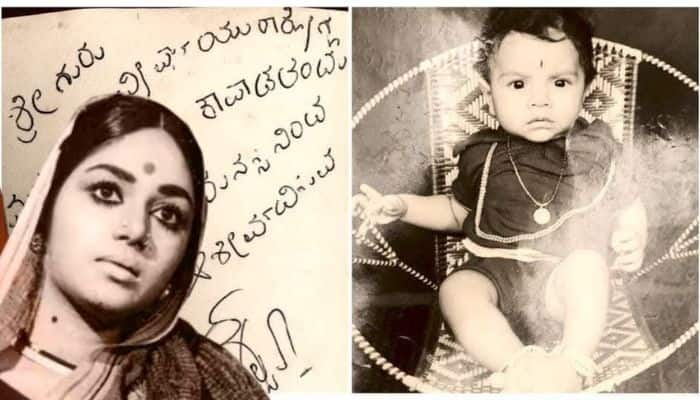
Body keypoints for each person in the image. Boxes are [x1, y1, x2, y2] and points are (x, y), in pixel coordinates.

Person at [354, 9, 647, 392]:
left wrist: (632, 233)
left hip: (560, 281)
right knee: (456, 291)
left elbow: (630, 200)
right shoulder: (481, 153)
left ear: (586, 87)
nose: (539, 100)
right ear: (489, 87)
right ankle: (517, 365)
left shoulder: (596, 148)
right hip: (494, 278)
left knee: (589, 266)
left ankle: (572, 361)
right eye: (518, 85)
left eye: (559, 82)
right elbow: (457, 212)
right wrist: (404, 206)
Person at [0, 94, 268, 399]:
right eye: (106, 192)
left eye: (167, 214)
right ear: (46, 206)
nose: (138, 229)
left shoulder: (216, 389)